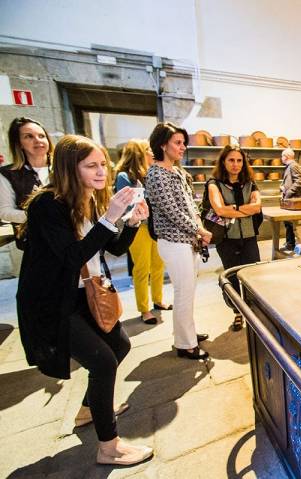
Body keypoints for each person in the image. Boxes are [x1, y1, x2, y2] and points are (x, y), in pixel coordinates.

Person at [17, 135, 153, 466]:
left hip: (87, 293)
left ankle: (88, 410)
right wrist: (111, 217)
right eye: (91, 165)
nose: (101, 171)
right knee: (103, 361)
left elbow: (114, 248)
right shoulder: (46, 205)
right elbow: (72, 256)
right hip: (54, 301)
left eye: (103, 164)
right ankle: (109, 447)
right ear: (68, 167)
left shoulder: (88, 200)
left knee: (119, 347)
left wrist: (131, 224)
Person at [145, 122, 212, 360]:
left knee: (188, 291)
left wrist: (199, 229)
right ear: (163, 144)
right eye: (177, 142)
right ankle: (185, 345)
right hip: (174, 242)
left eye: (184, 142)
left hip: (188, 239)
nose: (183, 147)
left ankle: (187, 334)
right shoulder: (156, 174)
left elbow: (190, 206)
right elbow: (172, 212)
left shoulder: (178, 172)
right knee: (184, 292)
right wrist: (200, 230)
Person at [206, 146, 262, 331]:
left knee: (253, 275)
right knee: (230, 276)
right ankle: (237, 312)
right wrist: (243, 209)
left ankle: (253, 311)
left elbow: (257, 207)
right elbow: (219, 210)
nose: (235, 164)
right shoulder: (214, 183)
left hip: (249, 236)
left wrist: (233, 209)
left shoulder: (251, 183)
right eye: (231, 160)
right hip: (226, 239)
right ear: (223, 161)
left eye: (239, 160)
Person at [114, 139, 169, 324]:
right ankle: (144, 309)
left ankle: (158, 300)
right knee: (142, 268)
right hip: (137, 227)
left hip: (154, 226)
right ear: (138, 153)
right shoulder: (124, 176)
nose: (152, 153)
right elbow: (128, 203)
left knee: (158, 265)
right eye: (148, 150)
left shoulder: (150, 173)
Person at [0, 117, 54, 276]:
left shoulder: (63, 168)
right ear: (19, 143)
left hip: (71, 242)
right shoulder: (8, 174)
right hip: (36, 246)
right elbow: (4, 211)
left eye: (41, 135)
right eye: (28, 136)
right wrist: (38, 216)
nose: (38, 140)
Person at [280, 148, 301, 250]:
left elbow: (299, 181)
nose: (281, 158)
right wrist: (282, 187)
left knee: (293, 222)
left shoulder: (293, 165)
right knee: (289, 222)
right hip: (291, 199)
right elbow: (290, 181)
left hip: (295, 199)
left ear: (287, 156)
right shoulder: (289, 166)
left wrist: (288, 193)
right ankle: (290, 243)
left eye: (282, 156)